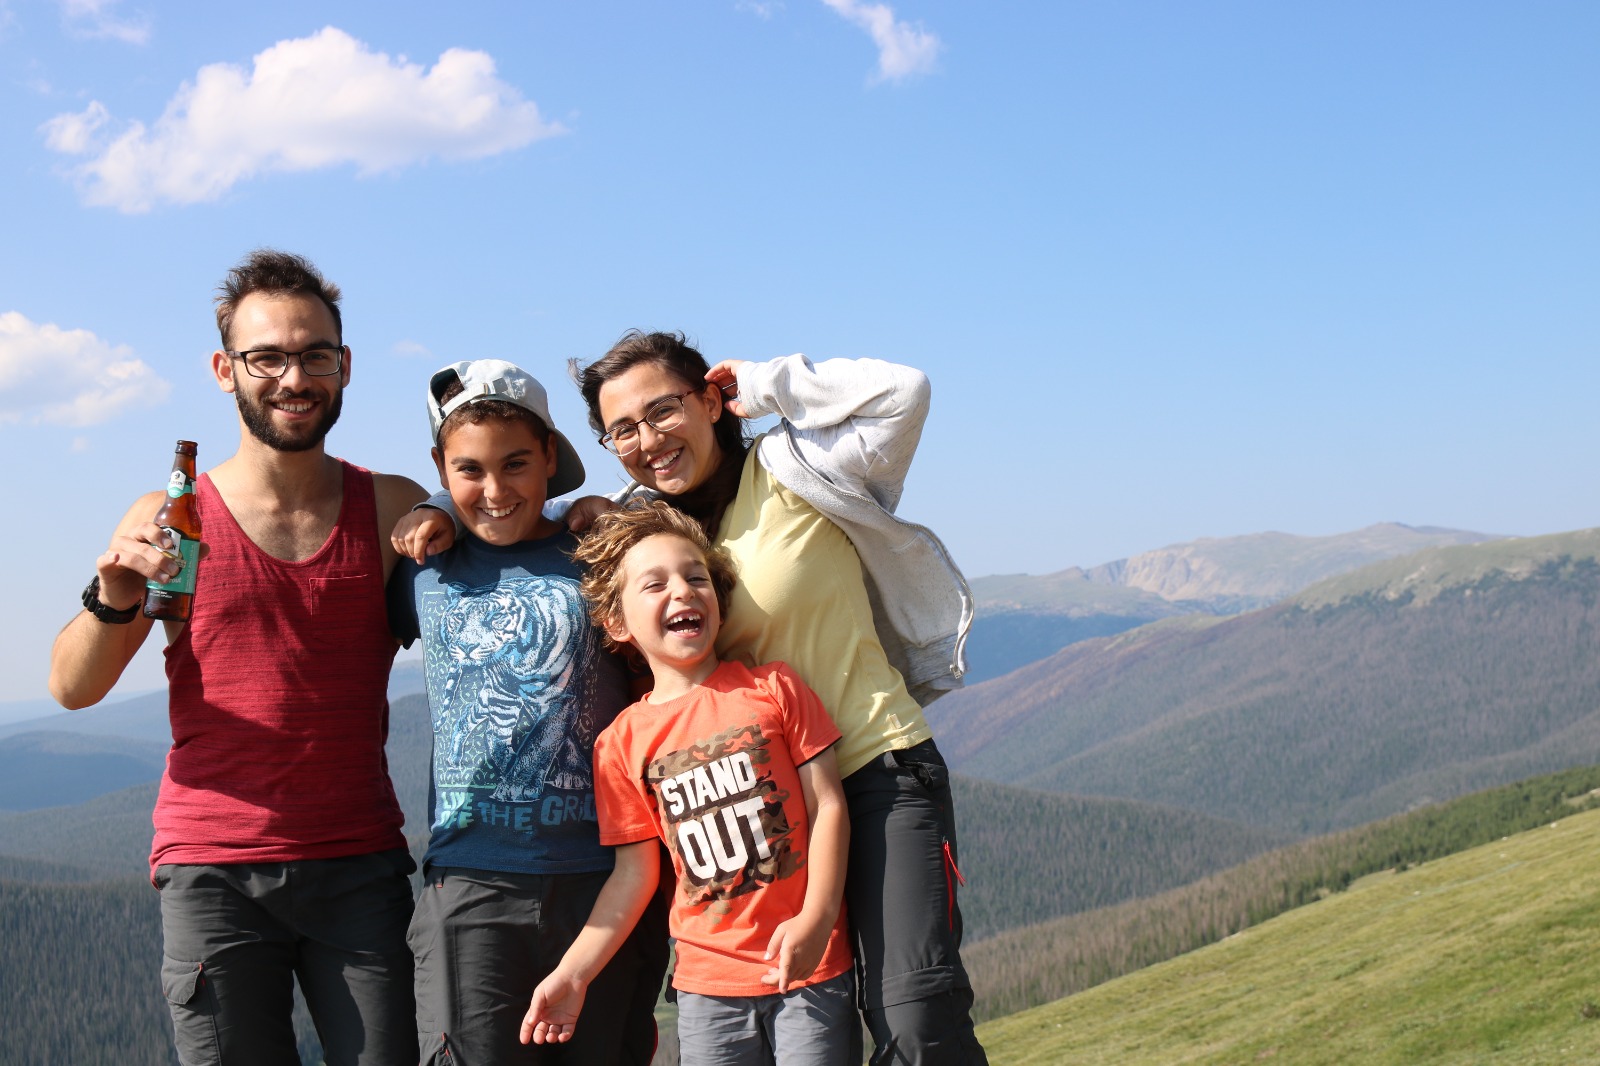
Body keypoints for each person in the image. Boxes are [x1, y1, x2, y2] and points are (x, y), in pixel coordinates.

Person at [396, 332, 983, 1064]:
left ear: (710, 400)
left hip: (872, 771)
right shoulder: (642, 524)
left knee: (914, 1014)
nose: (648, 439)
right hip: (746, 800)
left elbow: (904, 394)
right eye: (622, 429)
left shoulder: (796, 465)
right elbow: (507, 504)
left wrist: (763, 384)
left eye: (663, 410)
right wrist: (439, 508)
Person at [48, 249, 425, 1066]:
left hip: (360, 862)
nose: (294, 378)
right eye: (267, 358)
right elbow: (73, 688)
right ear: (226, 371)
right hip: (212, 870)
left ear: (345, 365)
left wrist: (587, 516)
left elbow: (501, 547)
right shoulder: (169, 520)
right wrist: (113, 590)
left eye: (315, 355)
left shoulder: (392, 506)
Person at [388, 359, 667, 1064]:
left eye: (515, 463)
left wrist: (618, 517)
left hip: (606, 881)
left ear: (549, 455)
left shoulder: (601, 553)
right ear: (440, 468)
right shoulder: (422, 567)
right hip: (469, 883)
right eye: (468, 470)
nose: (495, 490)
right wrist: (435, 507)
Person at [521, 500, 854, 1066]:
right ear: (617, 623)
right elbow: (634, 877)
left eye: (696, 577)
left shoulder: (774, 689)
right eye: (655, 584)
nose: (682, 591)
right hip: (707, 987)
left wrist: (817, 919)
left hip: (808, 968)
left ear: (718, 602)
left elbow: (827, 808)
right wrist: (574, 974)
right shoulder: (620, 743)